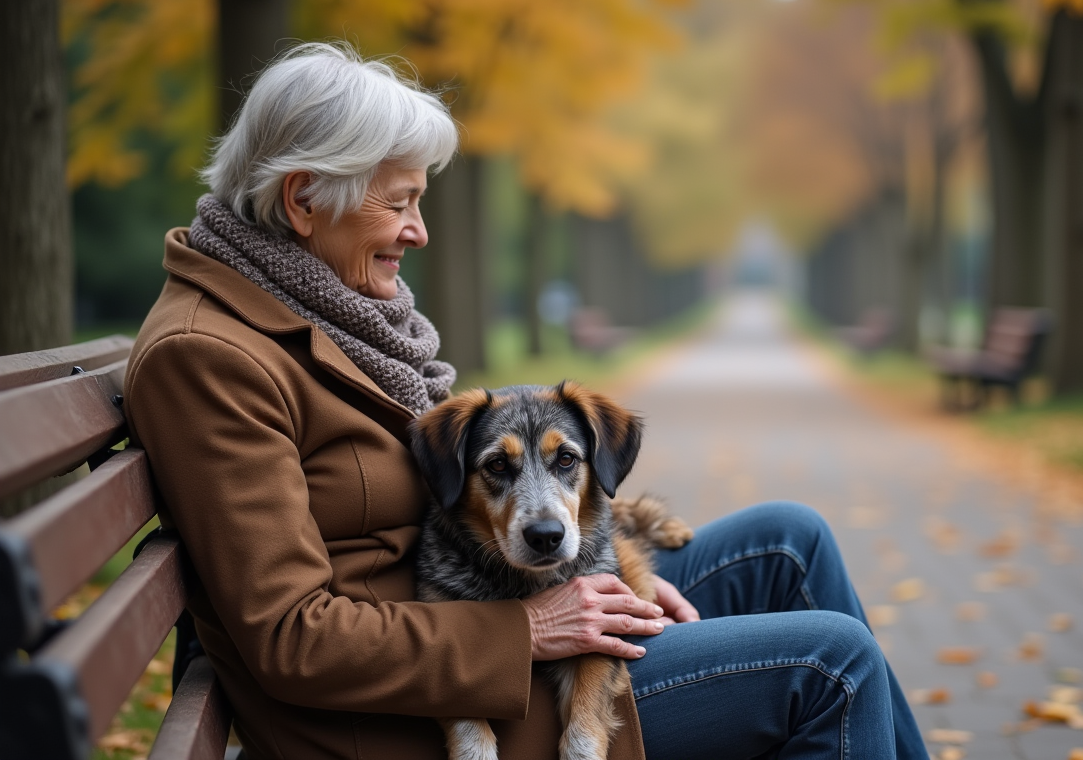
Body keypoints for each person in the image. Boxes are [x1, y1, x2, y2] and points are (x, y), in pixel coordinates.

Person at [125, 42, 929, 760]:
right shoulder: (209, 358)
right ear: (302, 200)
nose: (419, 231)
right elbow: (290, 637)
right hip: (431, 707)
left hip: (492, 597)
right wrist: (533, 630)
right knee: (832, 664)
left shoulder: (316, 307)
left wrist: (619, 577)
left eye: (420, 201)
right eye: (399, 201)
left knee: (790, 542)